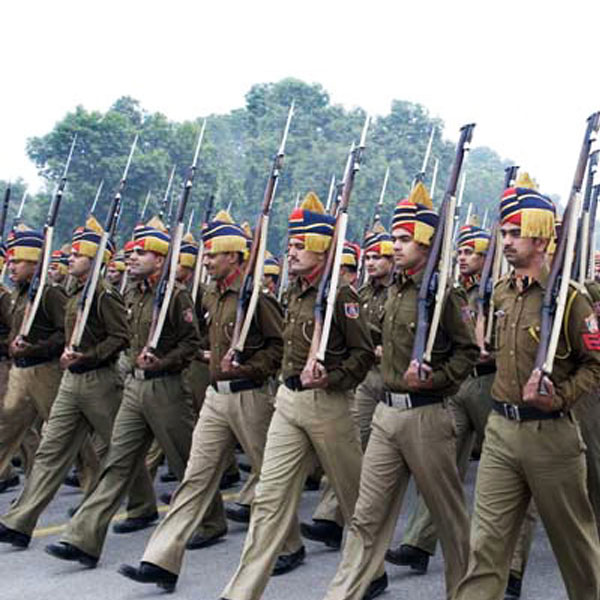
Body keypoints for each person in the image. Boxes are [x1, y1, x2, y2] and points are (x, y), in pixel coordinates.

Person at [118, 209, 302, 591]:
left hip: (250, 396)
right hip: (217, 397)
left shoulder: (255, 298)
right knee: (195, 477)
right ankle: (162, 559)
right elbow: (199, 337)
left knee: (269, 477)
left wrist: (248, 367)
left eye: (214, 254)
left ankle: (289, 544)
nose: (207, 260)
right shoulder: (209, 295)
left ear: (233, 256)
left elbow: (278, 348)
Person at [322, 183, 478, 600]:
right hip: (386, 414)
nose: (396, 246)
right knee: (366, 517)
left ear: (427, 244)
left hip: (427, 415)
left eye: (404, 239)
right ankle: (345, 592)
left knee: (448, 519)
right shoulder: (394, 288)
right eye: (395, 238)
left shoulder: (446, 294)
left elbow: (469, 351)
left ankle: (467, 591)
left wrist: (438, 377)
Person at [218, 192, 374, 600]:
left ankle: (368, 573)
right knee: (269, 498)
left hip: (328, 405)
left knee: (354, 498)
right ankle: (241, 591)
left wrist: (333, 376)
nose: (291, 252)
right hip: (288, 402)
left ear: (323, 249)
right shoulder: (294, 292)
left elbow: (362, 355)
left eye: (300, 245)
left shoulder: (341, 297)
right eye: (289, 245)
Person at [453, 181, 600, 600]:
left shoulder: (570, 300)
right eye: (504, 233)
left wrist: (562, 395)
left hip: (550, 436)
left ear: (540, 237)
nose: (507, 242)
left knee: (575, 546)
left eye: (515, 233)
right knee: (485, 547)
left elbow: (596, 364)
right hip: (500, 430)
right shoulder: (501, 293)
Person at [44, 217, 199, 567]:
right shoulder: (131, 293)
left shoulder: (175, 296)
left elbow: (192, 343)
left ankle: (209, 520)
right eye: (132, 252)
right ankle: (83, 538)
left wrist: (162, 361)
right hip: (133, 387)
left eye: (142, 252)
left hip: (166, 388)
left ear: (160, 260)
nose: (132, 257)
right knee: (117, 462)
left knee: (185, 461)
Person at [0, 218, 128, 548]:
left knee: (122, 449)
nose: (69, 258)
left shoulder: (99, 295)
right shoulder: (68, 293)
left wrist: (86, 356)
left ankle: (139, 502)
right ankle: (19, 521)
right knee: (50, 451)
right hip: (68, 379)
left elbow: (120, 336)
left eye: (77, 254)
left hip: (96, 379)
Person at [388, 223, 494, 573]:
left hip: (490, 386)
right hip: (455, 387)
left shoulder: (498, 287)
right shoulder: (443, 288)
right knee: (442, 470)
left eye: (470, 253)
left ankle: (510, 563)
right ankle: (418, 542)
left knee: (508, 470)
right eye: (460, 252)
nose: (463, 258)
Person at [301, 224, 394, 549]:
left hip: (394, 378)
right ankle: (330, 517)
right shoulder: (360, 294)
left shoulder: (402, 292)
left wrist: (388, 350)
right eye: (367, 257)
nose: (370, 263)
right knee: (355, 448)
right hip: (364, 378)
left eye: (377, 257)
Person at [0, 226, 67, 483]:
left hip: (45, 371)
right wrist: (11, 345)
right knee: (7, 425)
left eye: (17, 261)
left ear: (34, 262)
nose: (11, 266)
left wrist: (35, 348)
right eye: (10, 261)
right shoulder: (18, 294)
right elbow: (12, 331)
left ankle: (92, 479)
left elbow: (66, 333)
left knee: (65, 432)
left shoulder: (49, 294)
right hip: (20, 369)